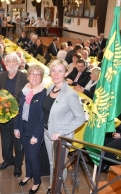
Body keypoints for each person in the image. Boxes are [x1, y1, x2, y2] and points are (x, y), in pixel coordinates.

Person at [43, 59, 86, 194]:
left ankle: (57, 189)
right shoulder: (50, 87)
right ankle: (53, 186)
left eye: (60, 71)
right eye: (53, 70)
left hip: (61, 136)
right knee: (52, 163)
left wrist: (61, 132)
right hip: (47, 132)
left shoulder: (70, 94)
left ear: (66, 73)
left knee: (59, 165)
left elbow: (81, 118)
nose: (56, 74)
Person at [0, 53, 28, 177]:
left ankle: (18, 165)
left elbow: (27, 97)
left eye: (14, 61)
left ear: (18, 64)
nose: (11, 64)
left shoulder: (24, 77)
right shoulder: (0, 76)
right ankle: (7, 160)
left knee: (18, 144)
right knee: (6, 141)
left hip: (18, 117)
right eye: (9, 61)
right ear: (5, 63)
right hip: (3, 117)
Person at [14, 64, 46, 194]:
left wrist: (36, 135)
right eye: (32, 74)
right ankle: (28, 174)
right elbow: (19, 111)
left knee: (33, 156)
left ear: (41, 78)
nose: (35, 77)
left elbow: (43, 117)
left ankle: (37, 181)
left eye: (38, 75)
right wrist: (17, 127)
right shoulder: (24, 90)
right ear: (28, 76)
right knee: (26, 154)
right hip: (23, 128)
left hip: (35, 130)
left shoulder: (43, 92)